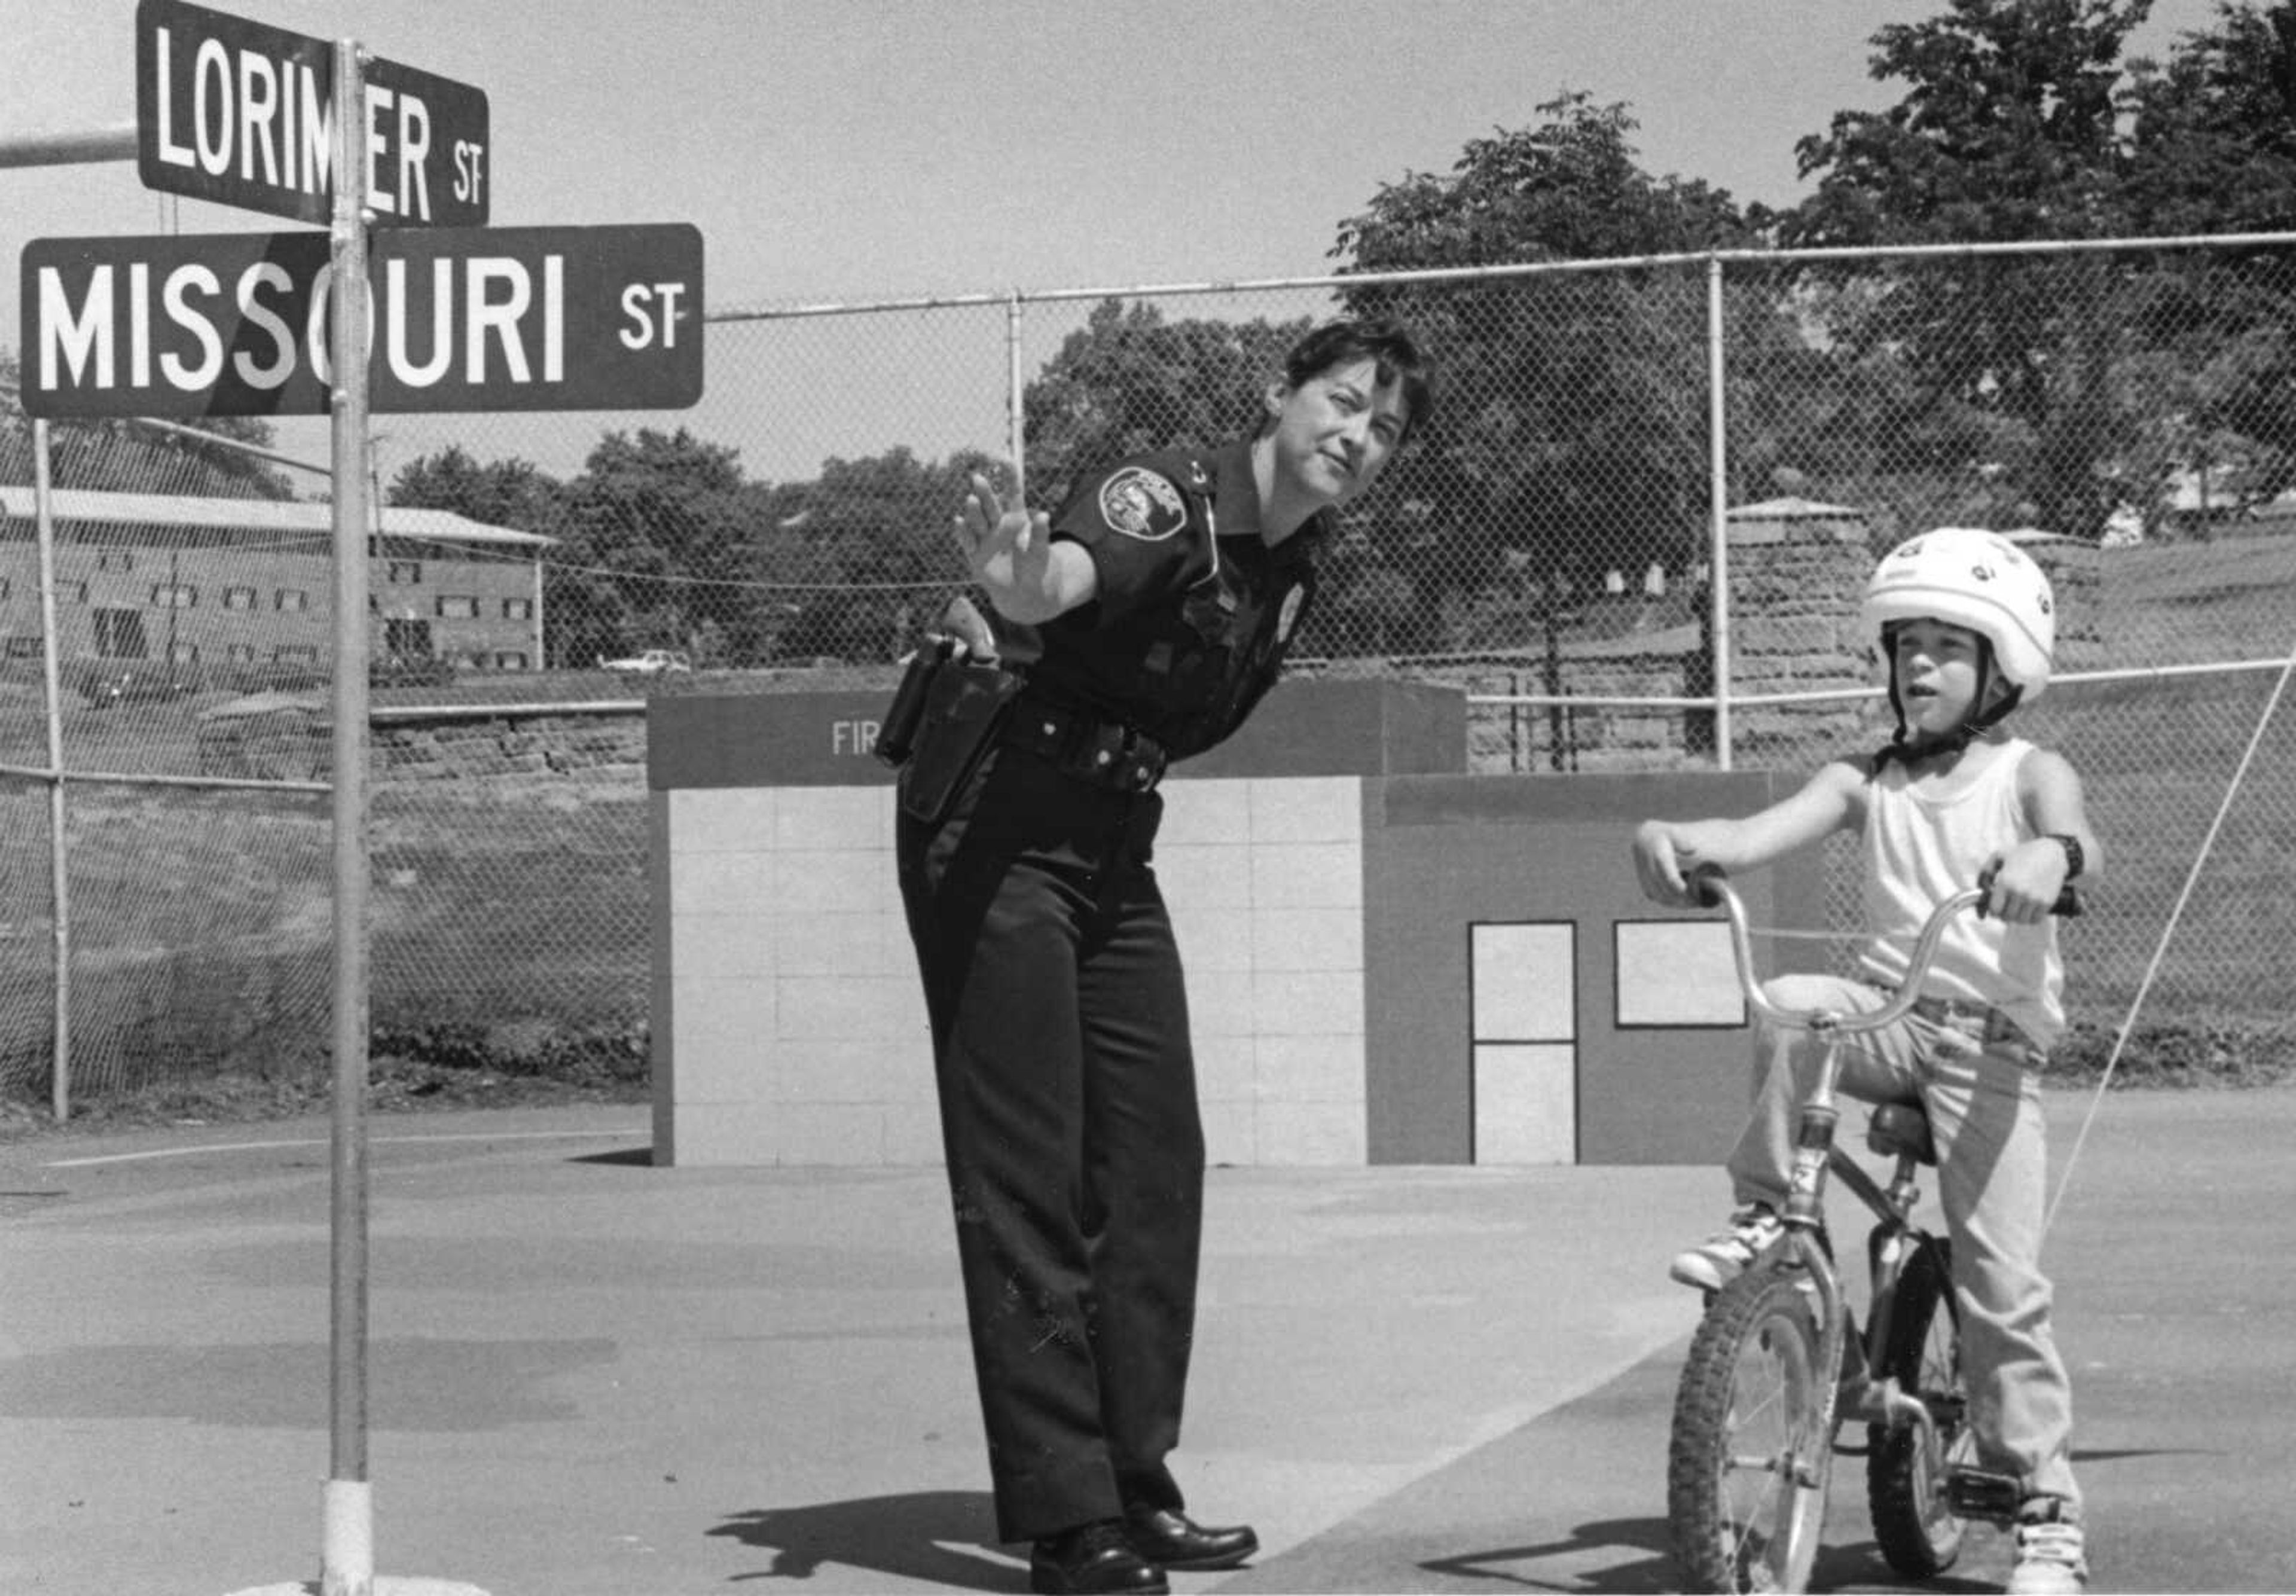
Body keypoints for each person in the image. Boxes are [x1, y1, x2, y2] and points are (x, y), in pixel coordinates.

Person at [887, 319, 1431, 1596]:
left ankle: (1137, 1482)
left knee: (1151, 1162)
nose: (1356, 437)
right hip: (998, 823)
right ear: (1278, 396)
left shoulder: (1295, 566)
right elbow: (1063, 579)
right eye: (1342, 403)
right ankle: (1070, 1520)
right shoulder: (1164, 501)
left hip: (1111, 843)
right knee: (1030, 1166)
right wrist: (1022, 583)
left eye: (1385, 429)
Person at [1629, 527, 2101, 1596]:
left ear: (2002, 667)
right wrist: (1672, 835)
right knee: (1794, 1001)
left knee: (2002, 1289)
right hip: (1890, 1012)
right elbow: (1750, 835)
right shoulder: (1864, 777)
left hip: (1991, 1039)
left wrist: (2049, 857)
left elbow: (2078, 839)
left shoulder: (2032, 772)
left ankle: (2046, 1515)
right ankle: (1767, 1219)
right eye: (1907, 645)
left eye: (1948, 645)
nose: (1920, 665)